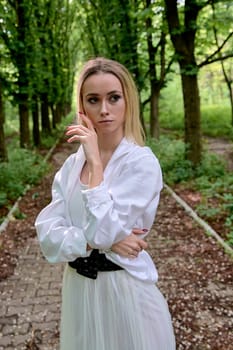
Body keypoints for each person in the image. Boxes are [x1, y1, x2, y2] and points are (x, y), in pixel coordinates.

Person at [35, 57, 176, 350]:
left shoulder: (141, 163)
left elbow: (103, 232)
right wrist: (106, 242)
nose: (104, 110)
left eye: (113, 98)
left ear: (128, 101)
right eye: (93, 100)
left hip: (124, 292)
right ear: (82, 107)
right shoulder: (71, 167)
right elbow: (48, 237)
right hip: (79, 291)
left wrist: (97, 165)